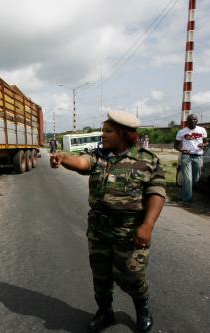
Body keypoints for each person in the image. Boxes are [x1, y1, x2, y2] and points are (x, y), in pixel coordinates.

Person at [50, 110, 166, 333]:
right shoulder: (98, 156)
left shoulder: (146, 161)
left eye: (108, 131)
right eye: (103, 130)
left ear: (123, 134)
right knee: (100, 275)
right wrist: (63, 158)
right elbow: (82, 163)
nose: (103, 135)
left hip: (130, 231)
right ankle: (105, 311)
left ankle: (142, 308)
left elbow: (156, 193)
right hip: (99, 230)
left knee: (132, 276)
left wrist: (147, 226)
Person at [174, 114, 208, 206]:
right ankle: (186, 200)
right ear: (187, 121)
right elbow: (175, 145)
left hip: (198, 156)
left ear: (197, 121)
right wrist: (181, 150)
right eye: (191, 119)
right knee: (188, 179)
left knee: (196, 178)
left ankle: (185, 191)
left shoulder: (202, 130)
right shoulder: (182, 132)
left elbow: (206, 142)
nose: (193, 121)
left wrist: (203, 145)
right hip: (186, 156)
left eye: (195, 119)